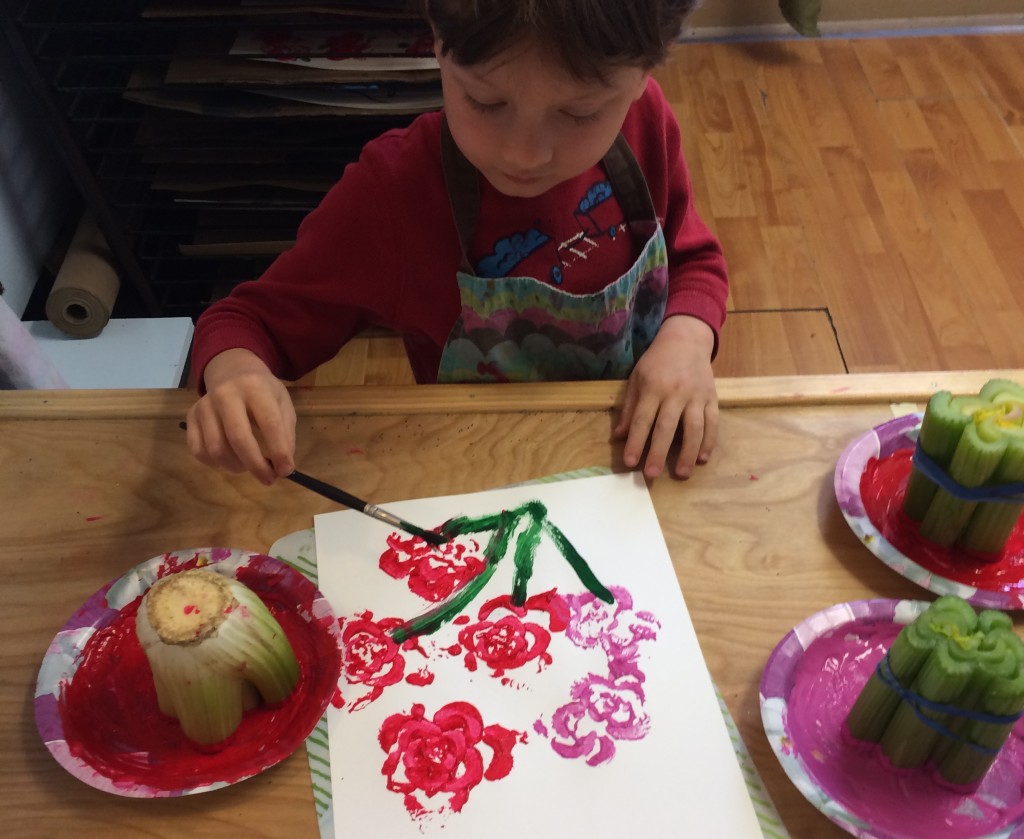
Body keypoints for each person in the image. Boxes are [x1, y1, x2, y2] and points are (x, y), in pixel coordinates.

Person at [184, 0, 728, 484]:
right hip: (469, 479)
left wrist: (686, 341)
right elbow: (243, 322)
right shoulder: (394, 194)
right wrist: (235, 374)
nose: (524, 155)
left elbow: (693, 260)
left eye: (579, 112)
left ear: (644, 72)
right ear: (437, 39)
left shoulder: (645, 125)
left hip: (629, 470)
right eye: (485, 101)